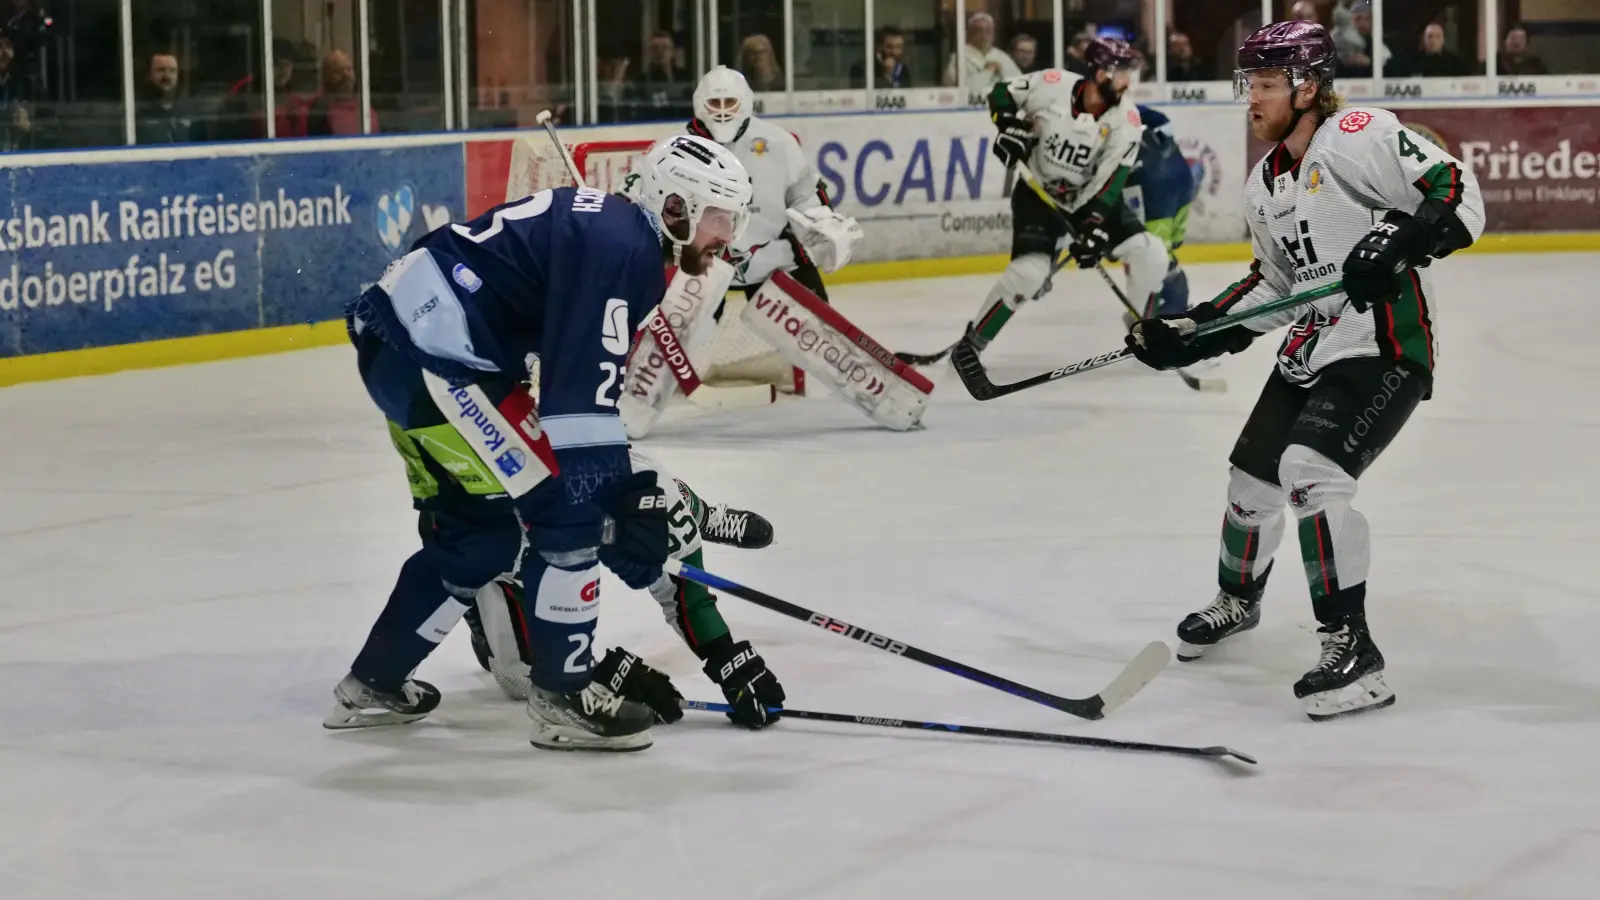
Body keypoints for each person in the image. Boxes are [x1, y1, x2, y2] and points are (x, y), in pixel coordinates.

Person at [326, 135, 757, 752]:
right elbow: (577, 405)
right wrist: (623, 500)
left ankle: (370, 688)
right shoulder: (623, 248)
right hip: (440, 357)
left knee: (482, 535)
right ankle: (563, 698)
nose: (729, 239)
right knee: (567, 514)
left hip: (400, 348)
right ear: (677, 208)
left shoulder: (613, 234)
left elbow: (570, 388)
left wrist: (620, 496)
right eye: (721, 219)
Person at [1124, 21, 1483, 721]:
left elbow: (1457, 188)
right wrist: (1193, 331)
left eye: (1263, 85)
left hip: (1384, 343)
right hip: (1314, 349)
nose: (1250, 100)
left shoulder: (1357, 134)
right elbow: (1275, 287)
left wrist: (1408, 233)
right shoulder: (1264, 184)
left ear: (1308, 86)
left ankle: (1354, 651)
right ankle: (1238, 601)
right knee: (1249, 485)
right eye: (1248, 85)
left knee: (1310, 472)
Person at [463, 447, 785, 730]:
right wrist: (602, 676)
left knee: (668, 513)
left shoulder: (645, 483)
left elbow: (686, 593)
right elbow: (526, 675)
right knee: (517, 674)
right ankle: (477, 615)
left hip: (579, 495)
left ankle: (701, 513)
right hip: (499, 551)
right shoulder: (507, 520)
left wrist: (725, 655)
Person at [929, 39, 1167, 362]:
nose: (1128, 82)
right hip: (1038, 195)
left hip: (1088, 200)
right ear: (1098, 73)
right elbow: (1000, 94)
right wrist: (1009, 126)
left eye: (1130, 74)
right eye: (1122, 73)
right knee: (1028, 274)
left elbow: (1111, 184)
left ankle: (1144, 328)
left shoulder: (1128, 121)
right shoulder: (1051, 84)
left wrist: (1093, 226)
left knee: (1151, 255)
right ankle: (972, 346)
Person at [681, 65, 862, 299]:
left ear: (745, 102)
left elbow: (804, 193)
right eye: (715, 103)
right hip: (699, 266)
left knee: (812, 330)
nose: (723, 111)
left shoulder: (779, 142)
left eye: (730, 102)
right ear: (701, 104)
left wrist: (821, 220)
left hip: (774, 260)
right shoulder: (677, 148)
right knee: (674, 334)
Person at [1125, 104, 1197, 319]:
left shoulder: (1116, 113)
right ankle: (1166, 309)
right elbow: (1165, 125)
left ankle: (1160, 315)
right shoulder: (1139, 114)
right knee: (1161, 253)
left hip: (1154, 188)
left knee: (1150, 255)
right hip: (1180, 177)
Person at [625, 30, 694, 122]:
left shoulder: (687, 77)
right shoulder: (641, 80)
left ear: (672, 51)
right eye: (655, 48)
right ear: (649, 53)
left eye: (664, 47)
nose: (660, 51)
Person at [946, 12, 1021, 93]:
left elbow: (1019, 84)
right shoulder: (959, 57)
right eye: (979, 31)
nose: (984, 35)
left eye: (988, 31)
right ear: (969, 33)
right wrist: (989, 71)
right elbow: (965, 90)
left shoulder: (1001, 56)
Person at [307, 50, 376, 135]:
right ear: (326, 76)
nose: (346, 75)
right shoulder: (320, 109)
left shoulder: (364, 103)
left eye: (349, 69)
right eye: (338, 71)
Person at [134, 52, 193, 144]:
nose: (167, 76)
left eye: (172, 71)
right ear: (149, 75)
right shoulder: (136, 110)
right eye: (161, 70)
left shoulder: (190, 109)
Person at [1398, 23, 1470, 78]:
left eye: (1438, 36)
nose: (1433, 41)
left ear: (1443, 40)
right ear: (1424, 39)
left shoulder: (1457, 63)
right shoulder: (1412, 62)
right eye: (1430, 36)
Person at [0, 32, 31, 151]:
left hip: (12, 150)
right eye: (0, 47)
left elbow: (27, 126)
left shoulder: (20, 81)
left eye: (8, 46)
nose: (4, 52)